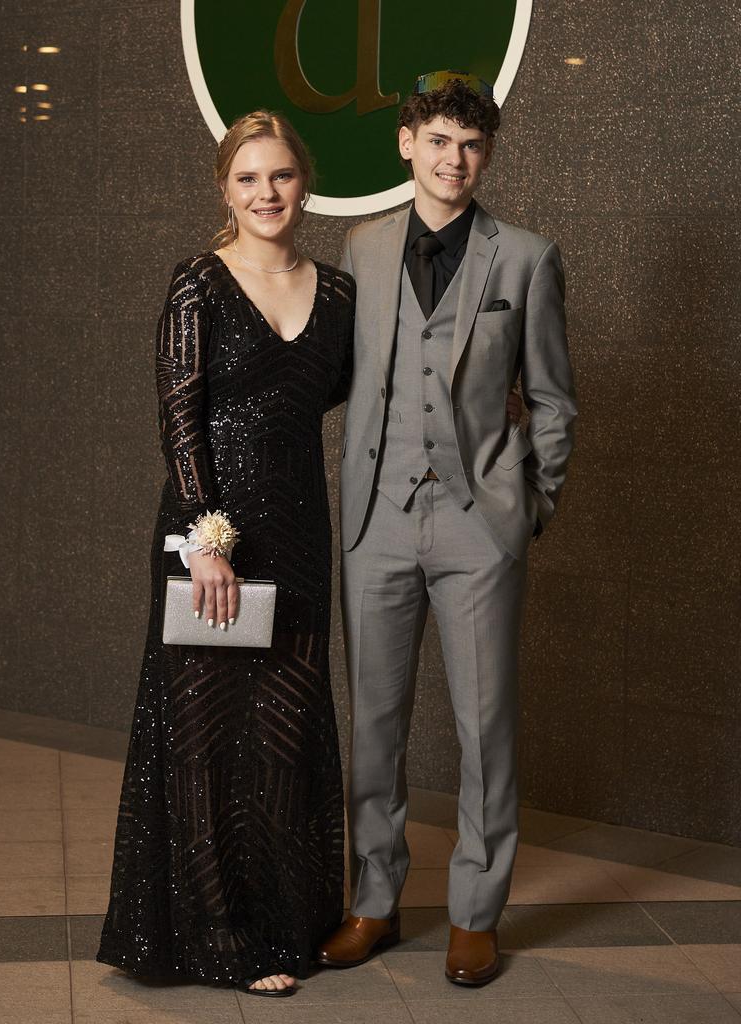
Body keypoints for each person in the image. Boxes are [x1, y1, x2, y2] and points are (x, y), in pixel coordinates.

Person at [316, 73, 577, 986]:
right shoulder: (361, 247)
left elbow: (552, 400)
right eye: (437, 140)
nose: (453, 159)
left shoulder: (527, 258)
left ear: (487, 154)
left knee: (484, 726)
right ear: (406, 146)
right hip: (377, 521)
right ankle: (374, 899)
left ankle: (475, 910)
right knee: (376, 725)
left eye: (470, 145)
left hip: (480, 526)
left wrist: (526, 507)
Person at [97, 110, 354, 997]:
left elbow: (386, 397)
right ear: (224, 189)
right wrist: (204, 538)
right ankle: (220, 938)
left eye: (279, 176)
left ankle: (289, 923)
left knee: (284, 740)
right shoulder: (197, 284)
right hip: (212, 541)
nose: (266, 193)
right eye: (247, 179)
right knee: (204, 743)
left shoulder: (341, 294)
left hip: (300, 543)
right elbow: (180, 417)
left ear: (303, 183)